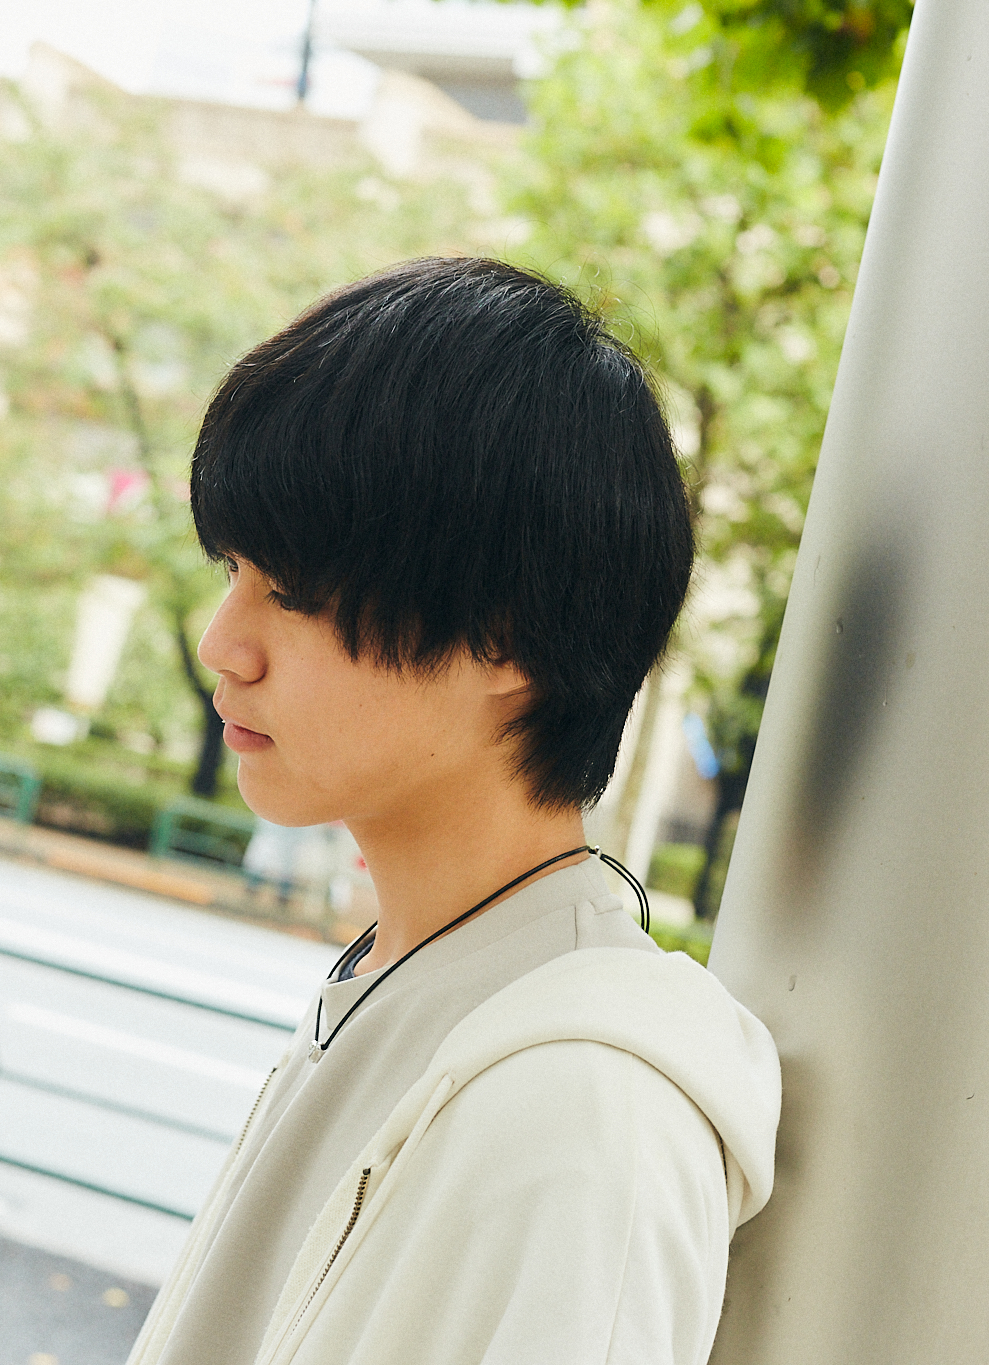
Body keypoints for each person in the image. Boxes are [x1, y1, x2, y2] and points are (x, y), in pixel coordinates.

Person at [127, 257, 780, 1365]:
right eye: (232, 569)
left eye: (291, 592)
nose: (221, 643)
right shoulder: (414, 981)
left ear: (505, 635)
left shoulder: (588, 1112)